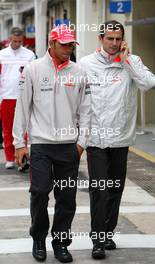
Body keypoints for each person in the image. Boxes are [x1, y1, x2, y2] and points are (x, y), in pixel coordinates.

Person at [13, 25, 91, 263]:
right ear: (52, 43)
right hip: (41, 145)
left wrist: (81, 143)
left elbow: (86, 110)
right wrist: (19, 143)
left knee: (66, 197)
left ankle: (60, 243)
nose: (68, 49)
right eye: (64, 44)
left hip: (69, 146)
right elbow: (22, 107)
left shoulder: (78, 71)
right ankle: (38, 238)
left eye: (71, 45)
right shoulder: (33, 69)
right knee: (39, 193)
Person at [80, 20, 155, 259]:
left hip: (121, 138)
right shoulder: (85, 64)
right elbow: (77, 99)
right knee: (99, 190)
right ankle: (98, 239)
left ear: (123, 40)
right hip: (95, 139)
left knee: (115, 189)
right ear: (100, 39)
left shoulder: (131, 62)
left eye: (117, 39)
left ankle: (107, 231)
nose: (113, 43)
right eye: (109, 38)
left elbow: (149, 83)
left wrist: (127, 62)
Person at [0, 27, 35, 169]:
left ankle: (22, 159)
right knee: (7, 129)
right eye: (14, 41)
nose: (17, 44)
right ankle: (9, 157)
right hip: (6, 96)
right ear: (9, 39)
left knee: (23, 130)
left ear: (23, 40)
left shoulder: (29, 55)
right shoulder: (1, 54)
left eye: (20, 41)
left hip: (23, 96)